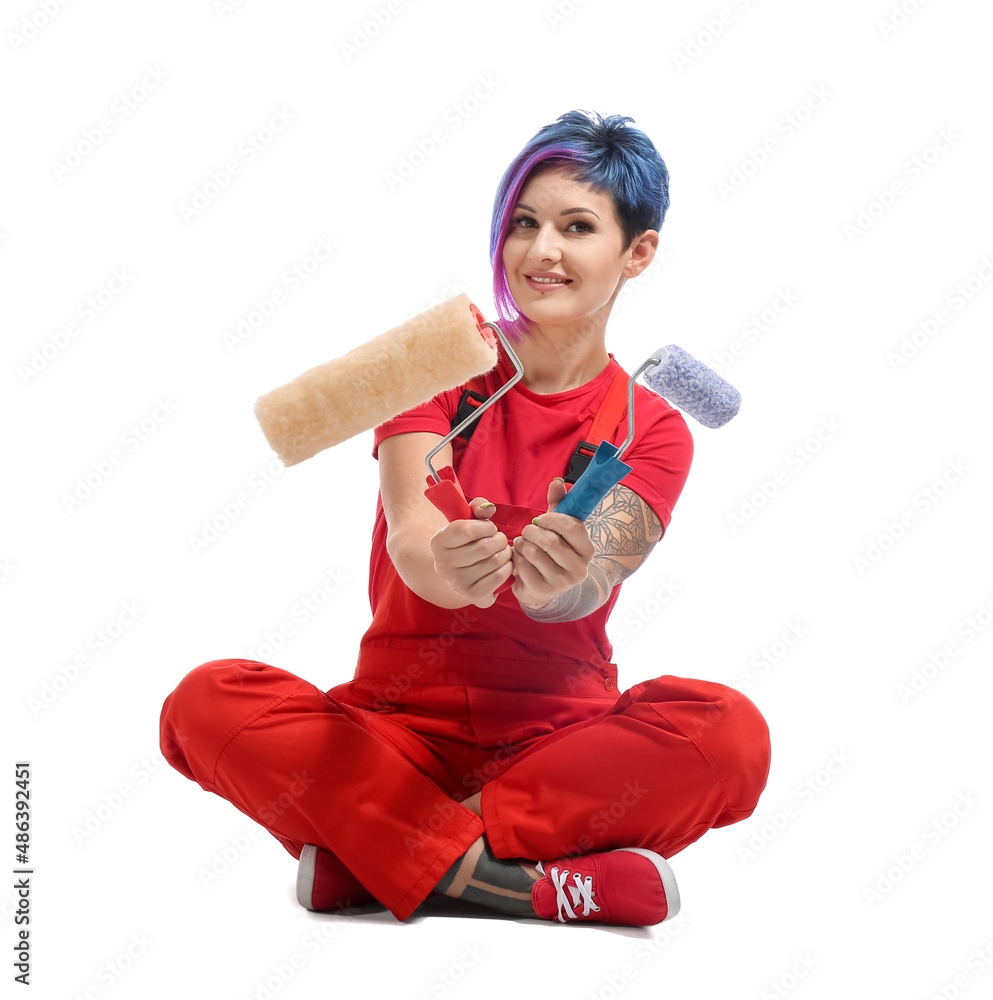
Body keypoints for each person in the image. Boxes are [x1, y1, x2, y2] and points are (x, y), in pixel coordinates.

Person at [159, 110, 771, 926]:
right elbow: (412, 533)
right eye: (523, 223)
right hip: (391, 733)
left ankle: (379, 858)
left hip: (558, 750)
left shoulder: (647, 426)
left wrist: (564, 580)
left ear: (638, 252)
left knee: (730, 737)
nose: (538, 251)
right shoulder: (438, 367)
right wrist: (444, 568)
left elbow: (599, 576)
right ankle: (525, 882)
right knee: (205, 703)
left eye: (575, 227)